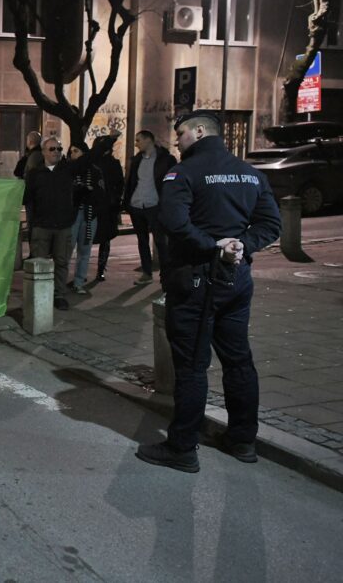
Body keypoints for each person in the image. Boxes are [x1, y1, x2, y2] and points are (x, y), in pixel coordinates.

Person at [136, 111, 280, 473]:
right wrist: (240, 246)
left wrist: (213, 246)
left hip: (196, 280)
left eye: (181, 132)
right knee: (238, 359)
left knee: (191, 366)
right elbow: (270, 224)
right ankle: (242, 439)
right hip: (236, 280)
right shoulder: (250, 173)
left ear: (200, 132)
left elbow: (172, 220)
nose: (177, 139)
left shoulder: (183, 173)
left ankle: (182, 447)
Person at [25, 136, 75, 310]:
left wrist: (109, 140)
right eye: (52, 149)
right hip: (42, 225)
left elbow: (89, 159)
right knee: (39, 262)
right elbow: (26, 197)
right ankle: (39, 295)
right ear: (44, 152)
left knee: (61, 262)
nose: (56, 152)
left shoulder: (67, 170)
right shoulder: (35, 174)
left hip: (63, 225)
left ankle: (59, 294)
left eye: (59, 149)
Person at [123, 130, 176, 285]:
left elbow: (172, 183)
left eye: (138, 140)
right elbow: (131, 182)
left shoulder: (165, 160)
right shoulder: (137, 160)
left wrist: (167, 204)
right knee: (142, 240)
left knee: (161, 241)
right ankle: (147, 273)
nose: (136, 143)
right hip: (137, 205)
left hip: (155, 205)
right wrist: (127, 203)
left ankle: (166, 275)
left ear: (148, 140)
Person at [67, 141, 107, 294]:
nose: (73, 154)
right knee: (67, 249)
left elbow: (101, 193)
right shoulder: (69, 170)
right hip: (74, 214)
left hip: (90, 214)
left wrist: (91, 194)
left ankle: (79, 281)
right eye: (71, 151)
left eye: (76, 151)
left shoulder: (95, 171)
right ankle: (60, 282)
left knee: (85, 250)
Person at [91, 135, 125, 281]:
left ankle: (101, 268)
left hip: (107, 206)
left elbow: (120, 184)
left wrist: (116, 200)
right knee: (92, 237)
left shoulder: (112, 163)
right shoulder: (92, 162)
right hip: (95, 205)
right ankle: (98, 269)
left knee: (104, 238)